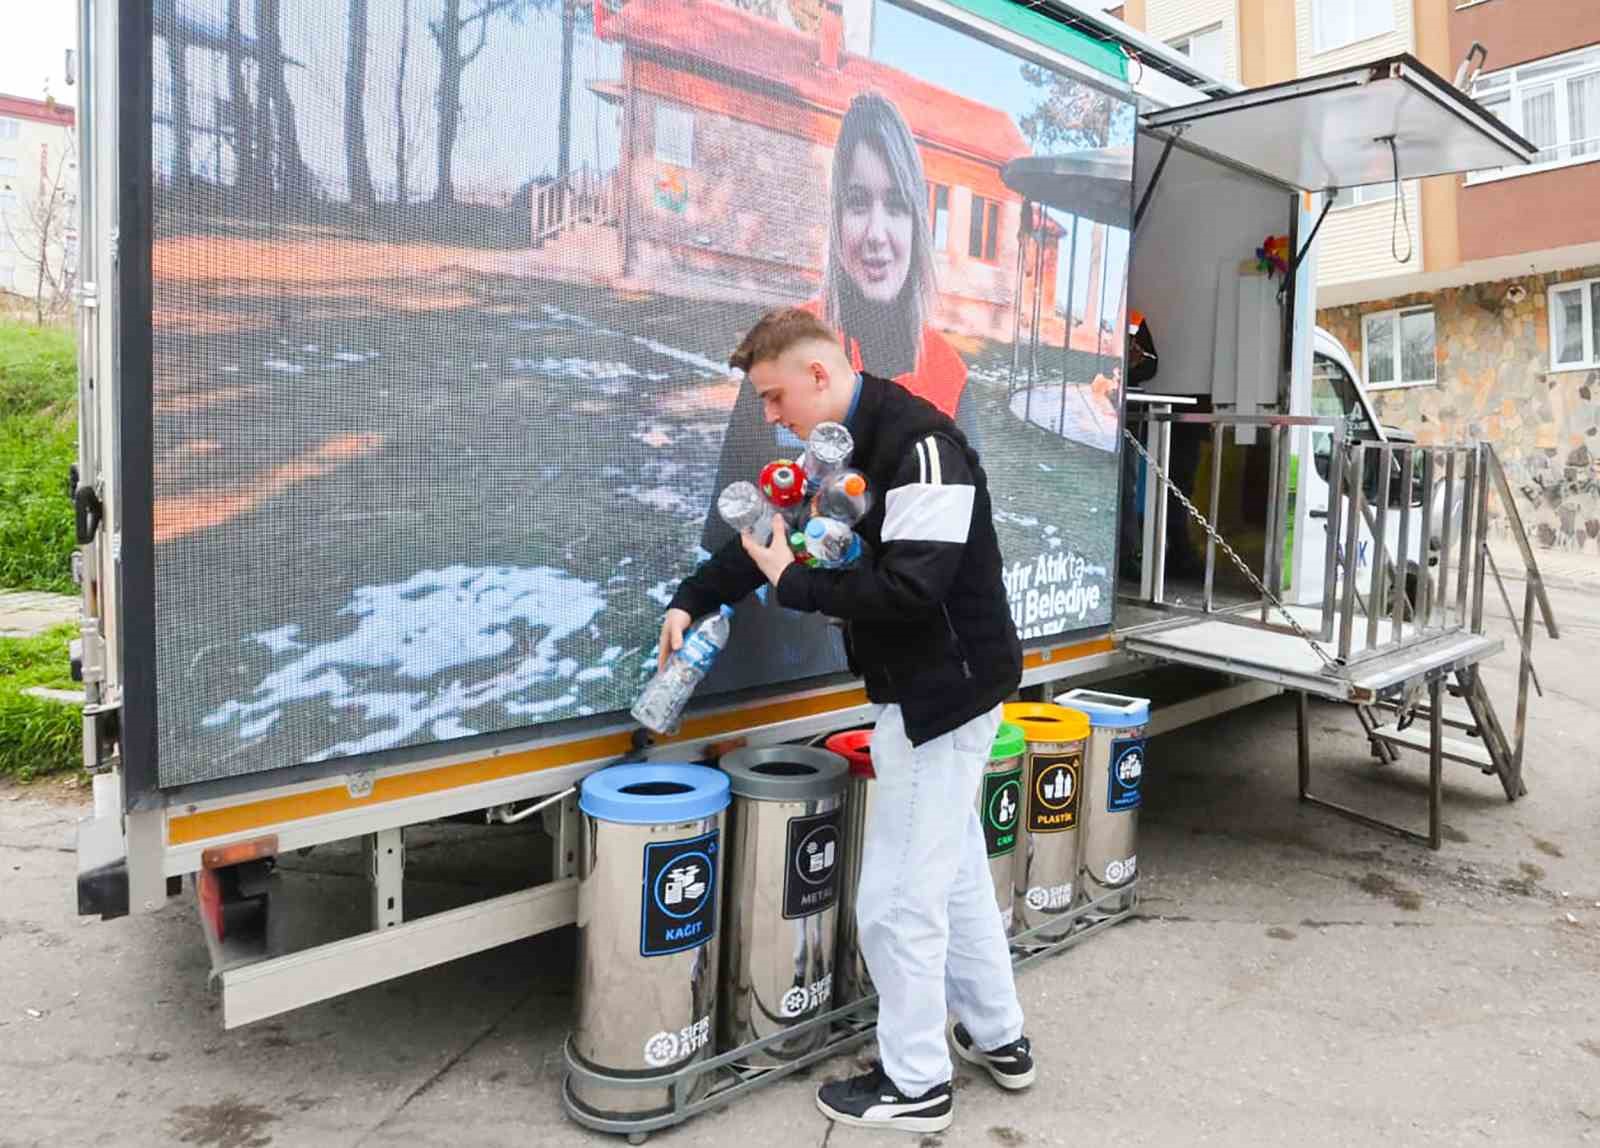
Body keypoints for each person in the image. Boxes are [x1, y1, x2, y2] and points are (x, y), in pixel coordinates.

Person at [658, 308, 1031, 1134]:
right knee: (955, 875)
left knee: (896, 902)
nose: (770, 415)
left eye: (774, 396)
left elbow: (912, 590)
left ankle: (916, 1083)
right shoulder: (835, 452)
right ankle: (998, 1035)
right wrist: (692, 599)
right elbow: (768, 537)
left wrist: (795, 585)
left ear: (819, 376)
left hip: (941, 698)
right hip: (930, 690)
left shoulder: (923, 448)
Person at [696, 91, 979, 693]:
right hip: (787, 681)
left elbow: (954, 563)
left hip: (908, 677)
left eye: (895, 205)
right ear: (834, 219)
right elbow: (729, 539)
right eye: (857, 203)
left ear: (918, 223)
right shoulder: (782, 356)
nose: (876, 233)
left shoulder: (949, 379)